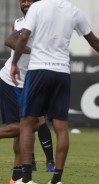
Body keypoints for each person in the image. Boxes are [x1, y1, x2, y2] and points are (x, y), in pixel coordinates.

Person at [10, 0, 99, 183]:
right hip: (62, 72)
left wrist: (15, 63)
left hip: (39, 70)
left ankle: (26, 179)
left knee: (26, 122)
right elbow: (93, 40)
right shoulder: (74, 11)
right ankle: (57, 179)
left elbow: (24, 36)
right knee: (61, 127)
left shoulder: (37, 8)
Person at [0, 0, 55, 183]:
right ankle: (21, 176)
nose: (25, 3)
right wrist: (34, 51)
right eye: (22, 0)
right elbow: (9, 41)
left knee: (29, 128)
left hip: (31, 82)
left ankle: (17, 177)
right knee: (27, 127)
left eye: (29, 0)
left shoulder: (44, 23)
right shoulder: (20, 23)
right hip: (13, 80)